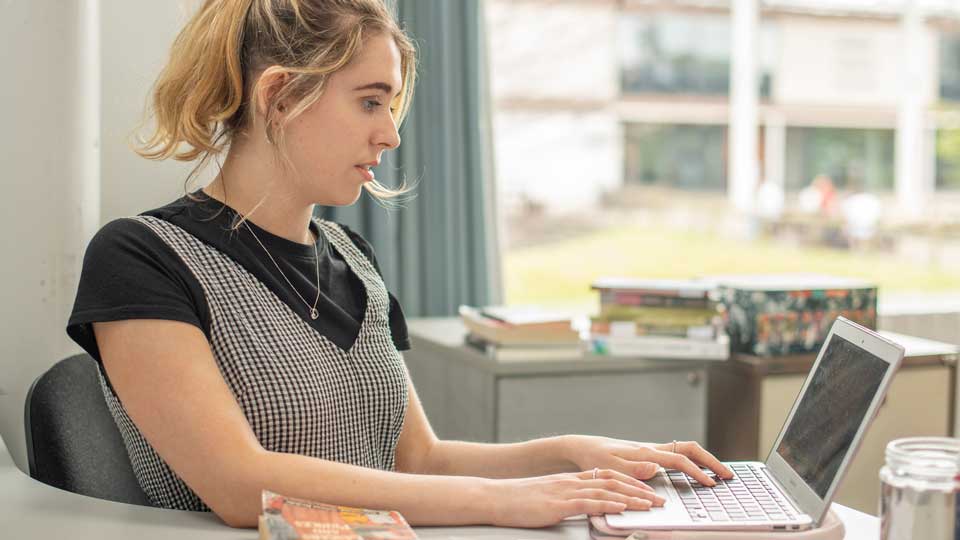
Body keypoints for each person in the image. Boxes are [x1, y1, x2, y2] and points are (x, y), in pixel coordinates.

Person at [66, 0, 732, 529]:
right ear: (279, 96)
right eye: (369, 101)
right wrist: (506, 500)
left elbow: (421, 459)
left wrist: (569, 453)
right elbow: (243, 485)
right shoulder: (140, 258)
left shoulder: (355, 259)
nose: (391, 133)